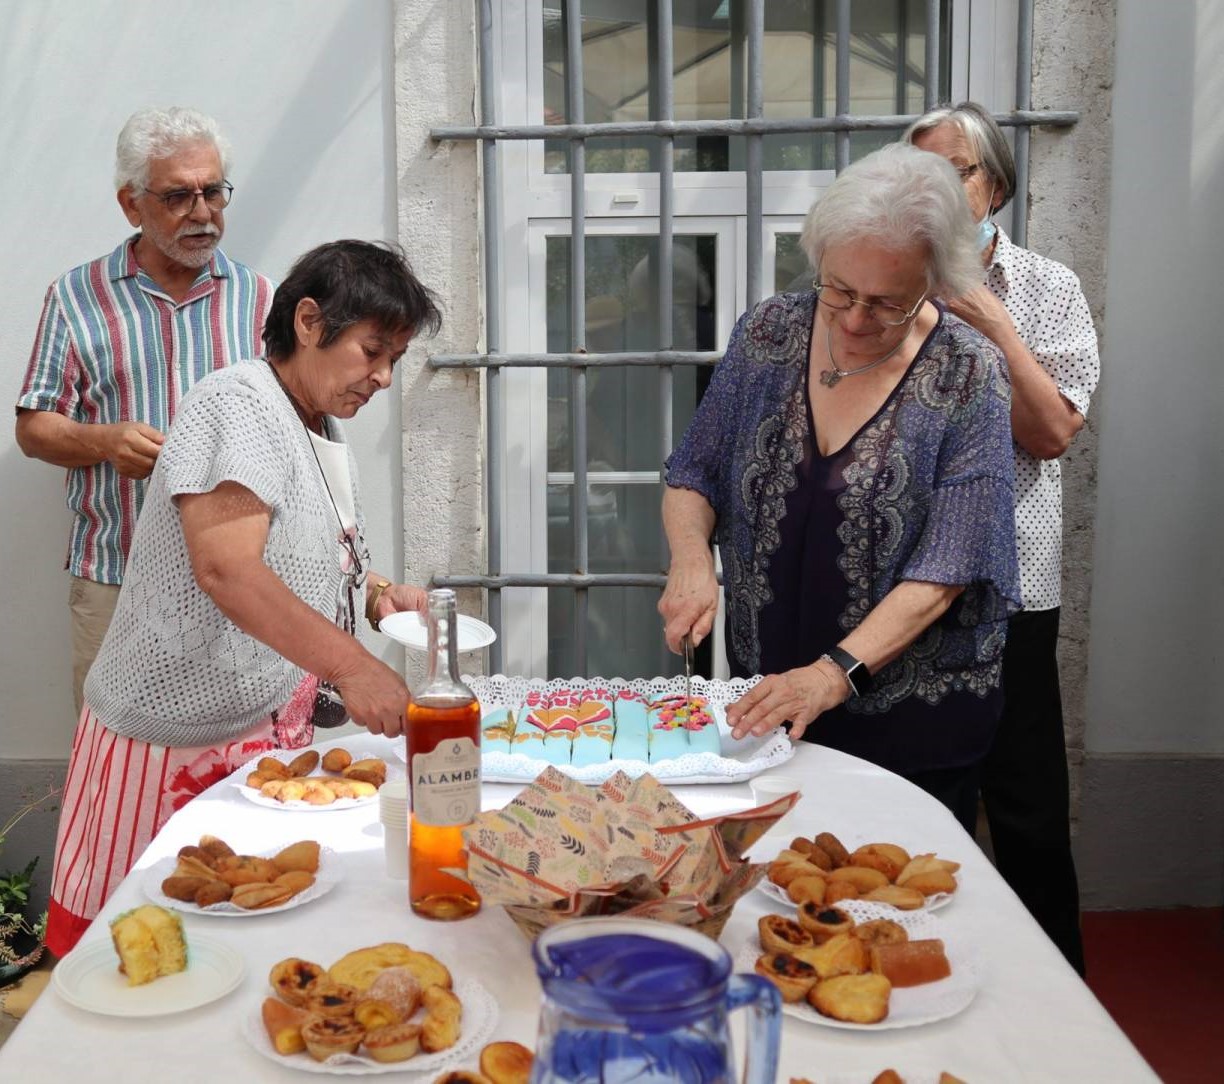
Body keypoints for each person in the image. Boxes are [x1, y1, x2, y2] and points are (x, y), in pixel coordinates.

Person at [45, 240, 442, 956]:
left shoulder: (312, 417)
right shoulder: (237, 404)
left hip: (250, 731)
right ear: (309, 322)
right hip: (170, 742)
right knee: (139, 950)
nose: (384, 377)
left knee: (227, 946)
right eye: (373, 351)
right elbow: (228, 569)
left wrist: (377, 593)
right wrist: (354, 667)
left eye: (395, 359)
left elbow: (300, 550)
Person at [659, 143, 1020, 832]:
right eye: (840, 291)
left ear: (935, 282)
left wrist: (831, 675)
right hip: (768, 706)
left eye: (886, 303)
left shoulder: (969, 374)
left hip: (912, 729)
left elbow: (947, 569)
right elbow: (694, 471)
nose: (854, 320)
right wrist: (690, 561)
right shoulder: (769, 333)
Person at [905, 102, 1100, 974]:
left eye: (956, 171)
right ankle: (917, 966)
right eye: (921, 175)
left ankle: (1057, 995)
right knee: (913, 789)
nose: (939, 191)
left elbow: (1051, 433)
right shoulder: (884, 282)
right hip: (902, 582)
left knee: (1025, 805)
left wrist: (995, 328)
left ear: (995, 184)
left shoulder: (1049, 287)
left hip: (1011, 585)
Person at [14, 107, 273, 720]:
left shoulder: (259, 298)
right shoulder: (76, 296)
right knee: (113, 749)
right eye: (178, 196)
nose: (203, 212)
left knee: (231, 753)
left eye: (213, 191)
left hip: (236, 579)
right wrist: (105, 441)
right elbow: (33, 428)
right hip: (116, 578)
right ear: (132, 205)